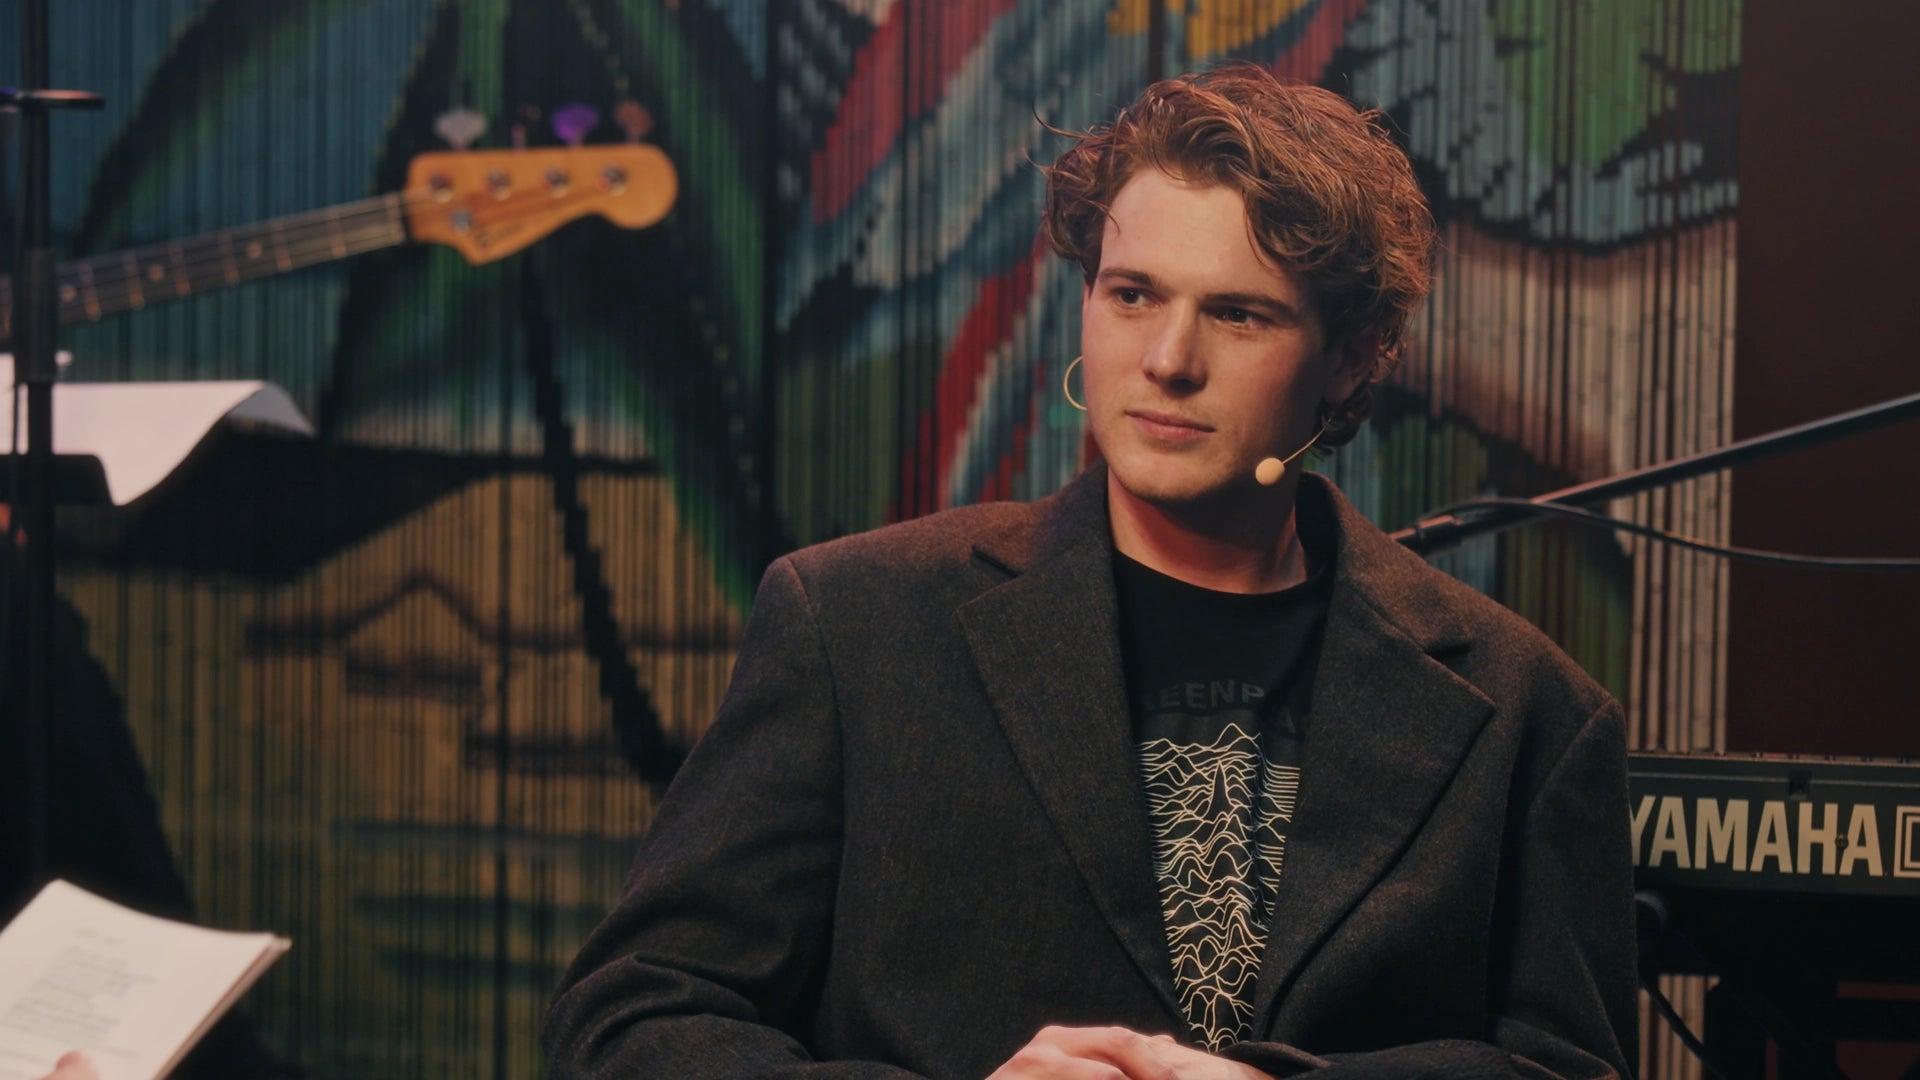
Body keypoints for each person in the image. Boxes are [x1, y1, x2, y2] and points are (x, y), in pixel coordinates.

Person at [544, 64, 1636, 1079]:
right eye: (1132, 295)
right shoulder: (854, 624)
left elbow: (1569, 1069)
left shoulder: (1528, 707)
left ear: (1351, 357)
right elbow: (629, 1019)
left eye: (1238, 313)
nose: (1167, 360)